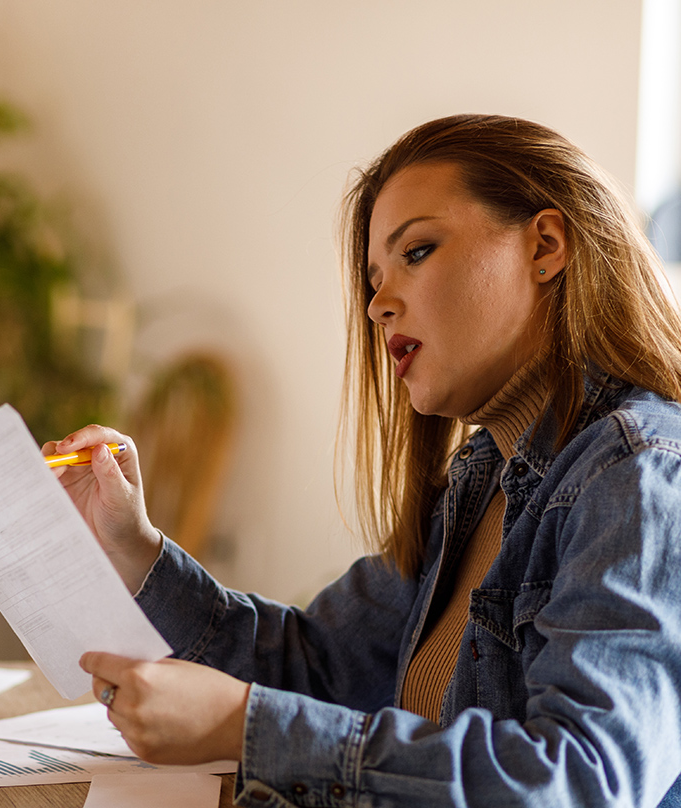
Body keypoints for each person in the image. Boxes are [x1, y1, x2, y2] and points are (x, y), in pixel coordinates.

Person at [45, 114, 681, 807]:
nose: (378, 304)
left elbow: (582, 782)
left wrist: (242, 724)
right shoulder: (476, 487)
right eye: (373, 279)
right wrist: (132, 547)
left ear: (546, 246)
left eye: (417, 252)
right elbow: (314, 666)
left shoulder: (640, 474)